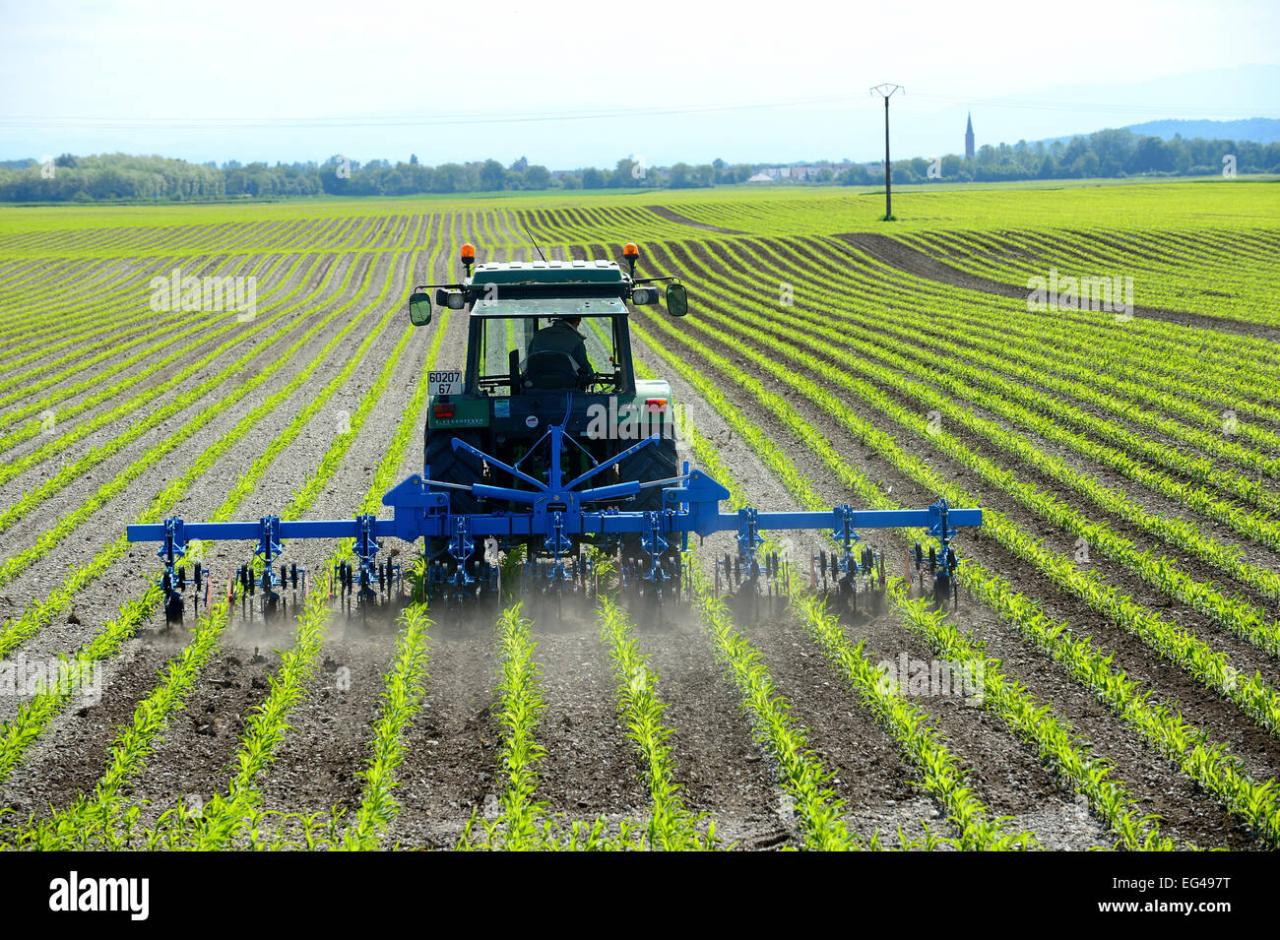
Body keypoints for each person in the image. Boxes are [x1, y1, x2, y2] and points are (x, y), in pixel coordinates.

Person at [526, 316, 593, 384]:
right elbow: (585, 369)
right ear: (578, 321)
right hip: (567, 389)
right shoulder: (576, 340)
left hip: (536, 387)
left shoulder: (538, 336)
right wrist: (591, 375)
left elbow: (527, 364)